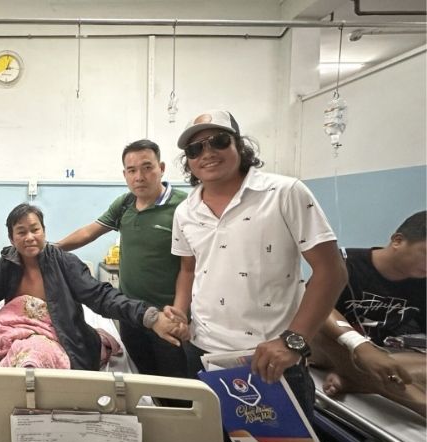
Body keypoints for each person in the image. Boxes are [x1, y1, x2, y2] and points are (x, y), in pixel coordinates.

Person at [169, 110, 348, 419]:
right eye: (195, 149)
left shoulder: (284, 193)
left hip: (269, 358)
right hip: (202, 352)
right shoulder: (185, 211)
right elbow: (188, 268)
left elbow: (332, 271)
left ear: (239, 145)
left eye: (218, 141)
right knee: (211, 438)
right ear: (188, 160)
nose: (207, 153)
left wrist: (293, 342)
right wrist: (179, 311)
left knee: (280, 440)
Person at [0, 203, 185, 370]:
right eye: (21, 232)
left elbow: (102, 297)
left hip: (57, 335)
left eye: (35, 229)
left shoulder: (64, 263)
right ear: (12, 238)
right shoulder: (8, 264)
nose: (29, 237)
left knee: (32, 354)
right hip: (13, 330)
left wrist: (149, 317)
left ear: (44, 231)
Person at [57, 139, 189, 379]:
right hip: (131, 313)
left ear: (161, 168)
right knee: (141, 377)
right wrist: (51, 248)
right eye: (132, 170)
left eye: (147, 167)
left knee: (175, 382)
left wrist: (179, 313)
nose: (139, 177)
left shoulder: (183, 207)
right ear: (125, 174)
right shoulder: (125, 203)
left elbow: (189, 267)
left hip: (167, 314)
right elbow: (89, 232)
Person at [310, 210, 426, 416]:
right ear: (398, 241)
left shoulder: (423, 284)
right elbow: (314, 306)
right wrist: (360, 346)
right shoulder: (345, 262)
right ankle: (421, 404)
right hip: (330, 348)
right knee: (317, 329)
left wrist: (373, 354)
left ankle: (356, 382)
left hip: (379, 356)